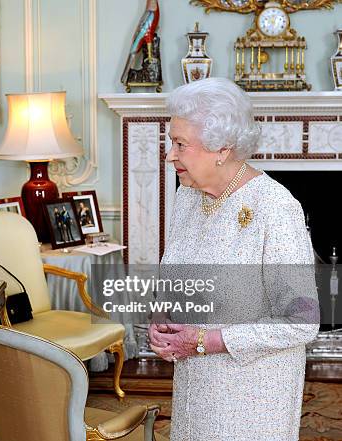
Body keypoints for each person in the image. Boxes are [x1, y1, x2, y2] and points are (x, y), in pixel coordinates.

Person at [148, 77, 319, 440]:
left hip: (252, 394)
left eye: (180, 144)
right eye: (170, 142)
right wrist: (161, 318)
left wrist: (204, 341)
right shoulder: (188, 197)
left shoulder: (275, 208)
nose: (170, 155)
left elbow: (302, 322)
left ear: (221, 148)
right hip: (196, 386)